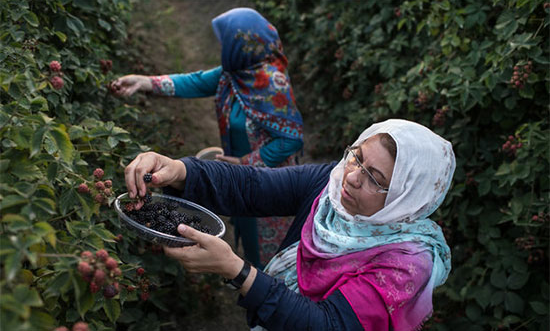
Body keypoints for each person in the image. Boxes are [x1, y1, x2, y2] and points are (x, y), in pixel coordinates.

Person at [124, 119, 456, 330]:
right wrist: (182, 171)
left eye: (374, 178)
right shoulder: (329, 187)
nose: (353, 177)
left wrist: (239, 272)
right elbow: (253, 186)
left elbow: (328, 325)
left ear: (406, 199)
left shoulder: (406, 265)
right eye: (357, 156)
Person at [112, 8, 304, 268]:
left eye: (226, 43)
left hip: (268, 181)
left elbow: (291, 139)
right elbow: (195, 82)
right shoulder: (235, 73)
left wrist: (246, 161)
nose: (222, 48)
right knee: (247, 231)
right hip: (240, 178)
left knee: (269, 251)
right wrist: (145, 83)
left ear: (240, 47)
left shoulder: (272, 85)